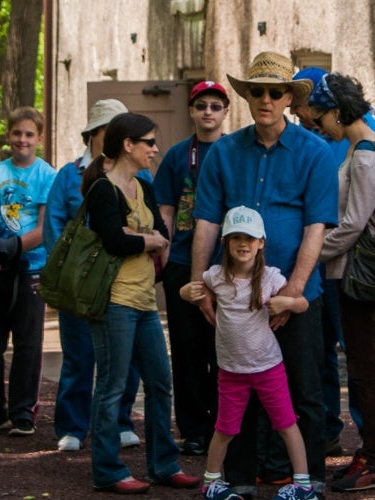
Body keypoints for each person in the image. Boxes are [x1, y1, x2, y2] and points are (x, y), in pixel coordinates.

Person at [189, 51, 342, 495]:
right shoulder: (224, 153)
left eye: (276, 92)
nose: (266, 99)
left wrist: (291, 294)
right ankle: (237, 481)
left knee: (305, 391)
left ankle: (308, 481)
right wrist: (202, 286)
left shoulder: (315, 152)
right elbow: (206, 222)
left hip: (297, 295)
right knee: (235, 389)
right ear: (248, 95)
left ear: (289, 98)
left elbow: (317, 227)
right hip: (234, 296)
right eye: (257, 91)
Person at [79, 113, 202, 494]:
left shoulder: (143, 186)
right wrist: (142, 239)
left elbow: (164, 235)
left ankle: (163, 465)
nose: (155, 148)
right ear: (127, 144)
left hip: (146, 300)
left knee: (160, 382)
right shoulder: (102, 189)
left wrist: (140, 235)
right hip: (114, 300)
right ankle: (108, 470)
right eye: (148, 141)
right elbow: (117, 241)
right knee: (113, 386)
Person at [182, 207, 318, 500]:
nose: (243, 244)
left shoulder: (270, 278)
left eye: (250, 238)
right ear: (226, 243)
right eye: (236, 238)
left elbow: (303, 304)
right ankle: (211, 483)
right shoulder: (216, 276)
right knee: (225, 428)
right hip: (231, 373)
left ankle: (303, 485)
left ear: (261, 243)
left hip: (269, 368)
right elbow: (188, 290)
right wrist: (188, 293)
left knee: (286, 424)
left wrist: (288, 305)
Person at [302, 71, 375, 492]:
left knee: (363, 368)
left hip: (354, 276)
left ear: (337, 113)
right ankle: (373, 450)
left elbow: (352, 226)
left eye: (320, 118)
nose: (318, 126)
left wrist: (305, 257)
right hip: (352, 274)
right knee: (362, 366)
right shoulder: (365, 147)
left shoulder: (363, 153)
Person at [44, 98, 145, 452]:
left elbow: (148, 223)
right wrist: (69, 271)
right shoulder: (68, 175)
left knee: (124, 355)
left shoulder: (140, 175)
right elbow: (54, 225)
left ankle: (120, 421)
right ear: (95, 134)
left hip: (123, 279)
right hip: (80, 282)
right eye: (112, 130)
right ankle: (72, 426)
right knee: (79, 354)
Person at [0, 107, 54, 437]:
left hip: (30, 268)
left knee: (28, 343)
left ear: (40, 138)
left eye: (29, 134)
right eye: (17, 133)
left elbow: (45, 228)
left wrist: (10, 249)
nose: (22, 139)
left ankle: (22, 411)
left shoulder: (48, 175)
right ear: (8, 135)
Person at [153, 80, 229, 457]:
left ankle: (225, 425)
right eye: (202, 106)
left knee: (225, 350)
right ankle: (193, 430)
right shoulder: (177, 156)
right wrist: (166, 257)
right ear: (192, 111)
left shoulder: (235, 152)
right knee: (187, 351)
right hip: (182, 264)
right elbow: (165, 209)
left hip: (230, 267)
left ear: (226, 112)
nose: (208, 113)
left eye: (216, 106)